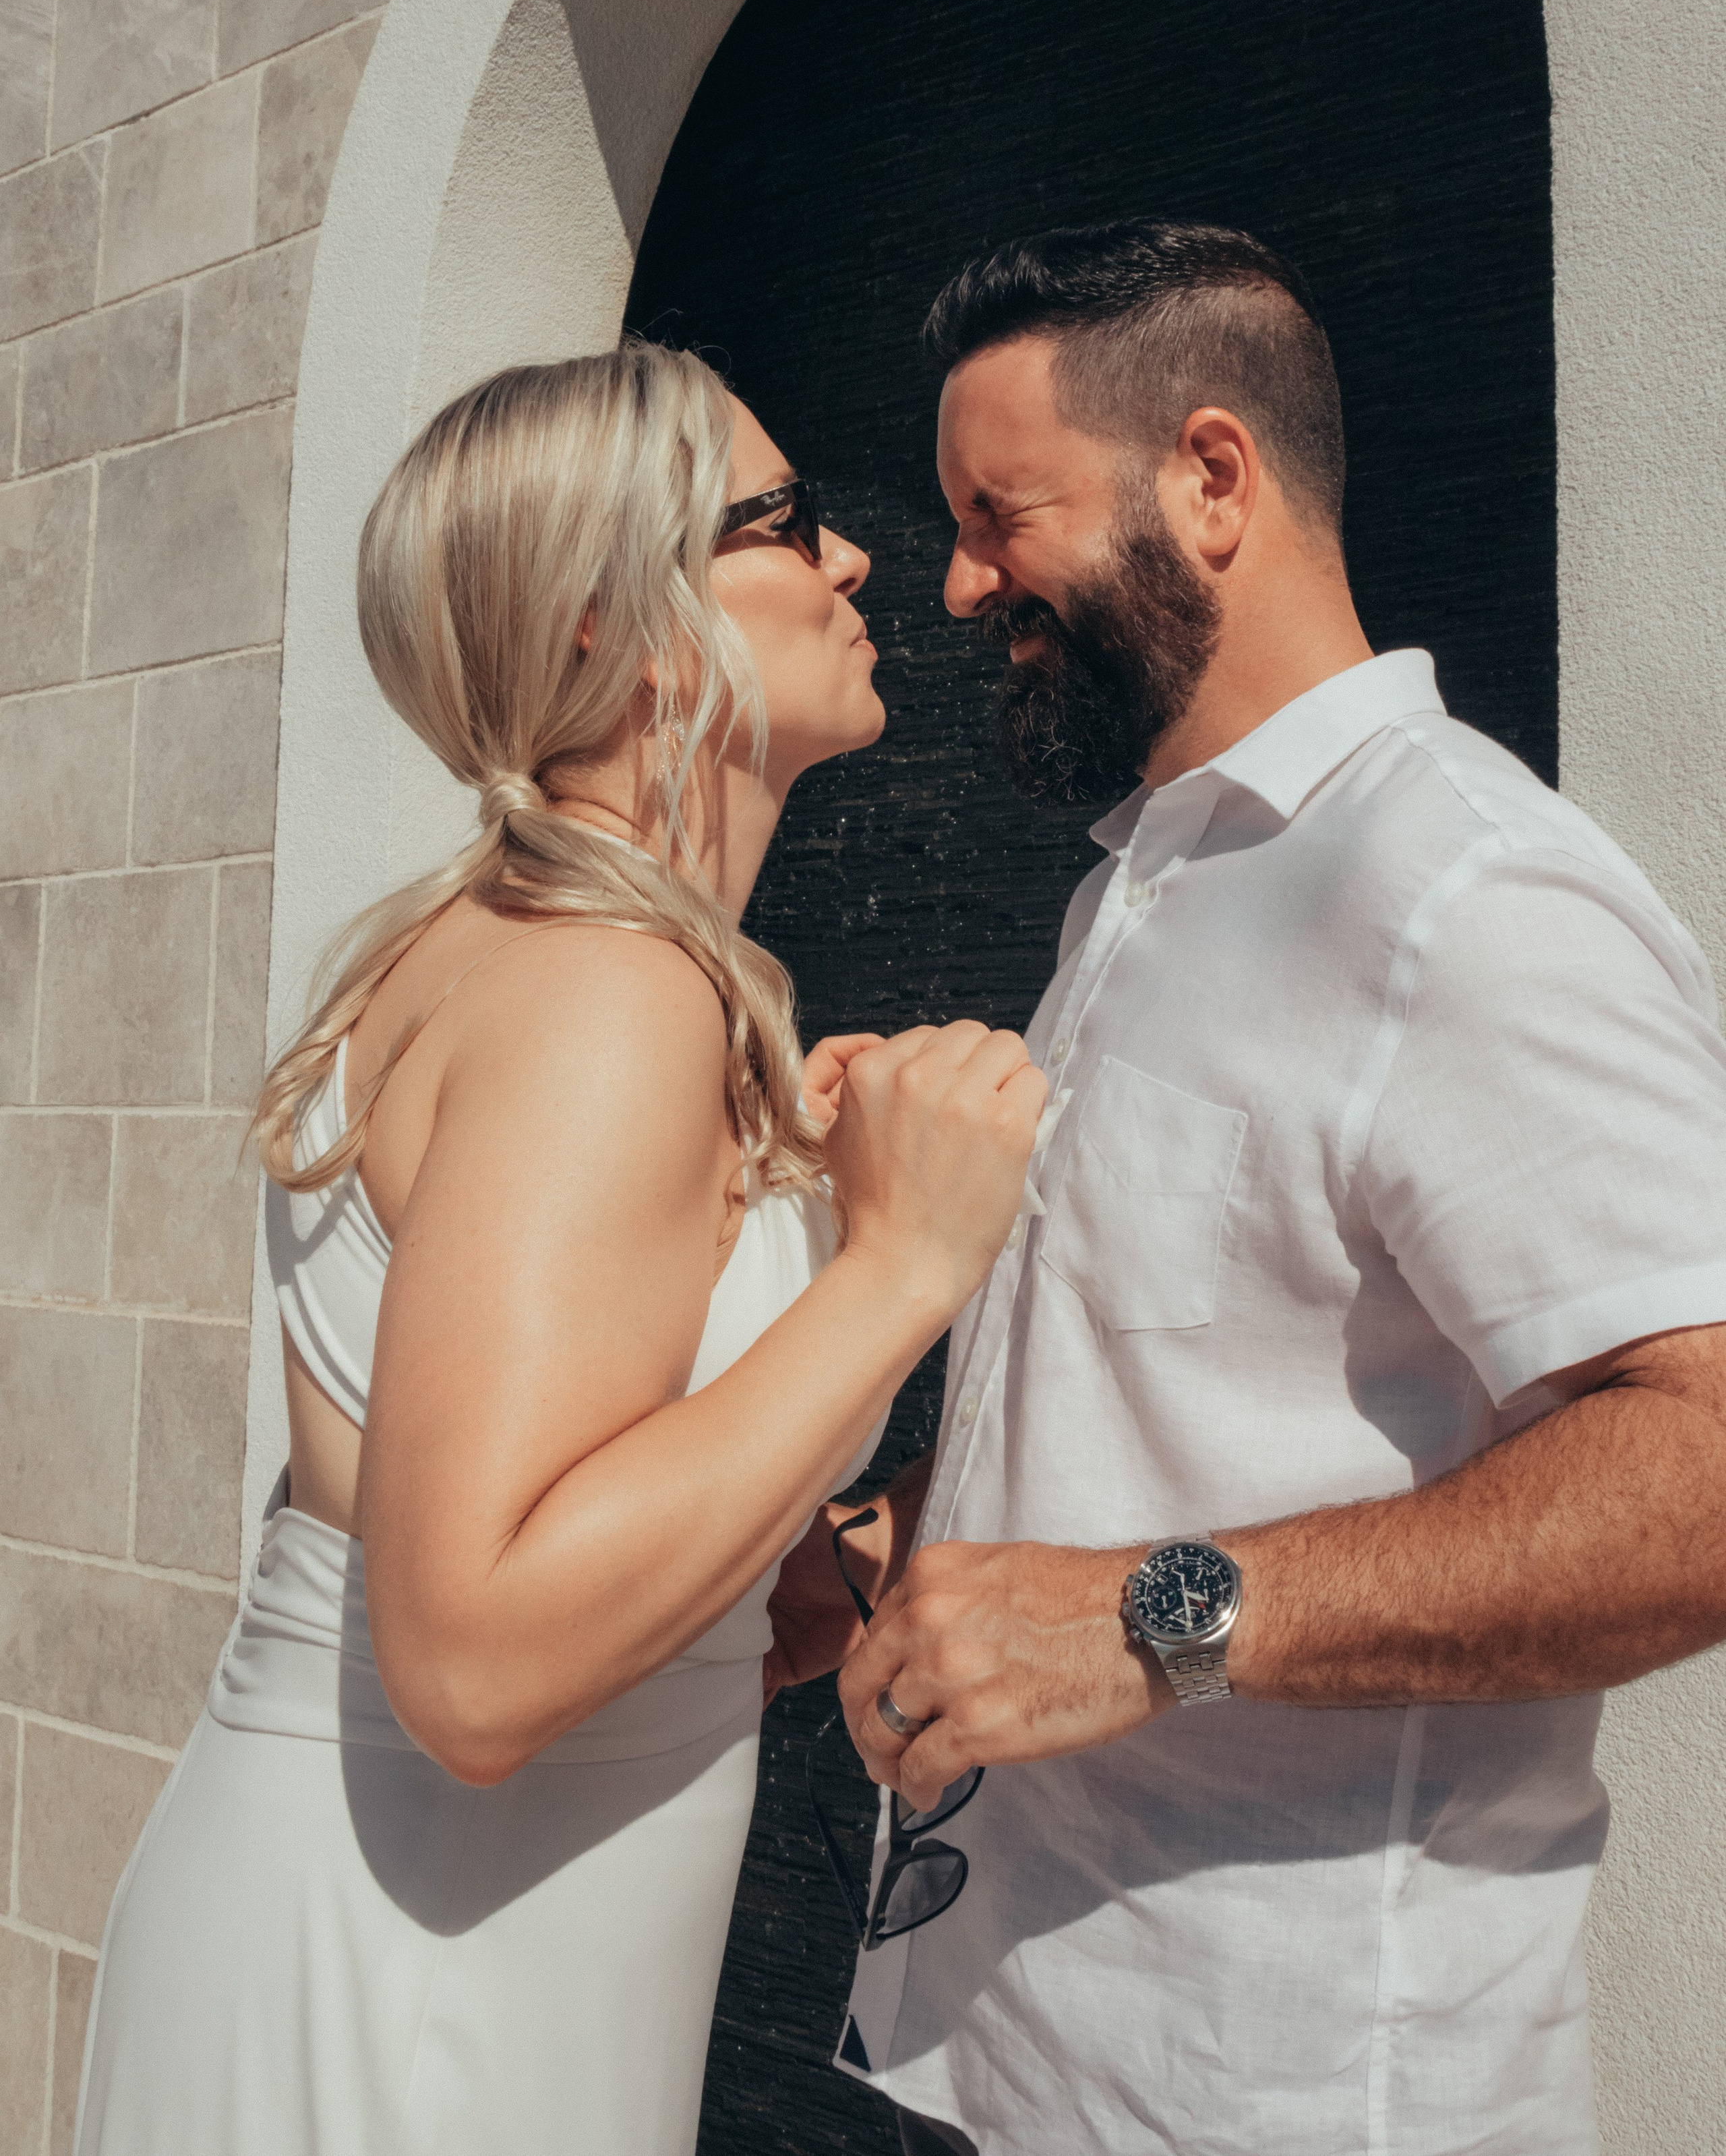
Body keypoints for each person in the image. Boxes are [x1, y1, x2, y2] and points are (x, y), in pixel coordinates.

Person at [770, 221, 1726, 2155]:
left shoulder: (1464, 888)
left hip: (1288, 2092)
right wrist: (881, 1552)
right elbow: (1184, 1393)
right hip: (1008, 2048)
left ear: (1212, 479)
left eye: (998, 516)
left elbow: (1705, 1460)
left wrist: (1152, 1617)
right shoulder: (1145, 883)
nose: (956, 582)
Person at [73, 343, 1045, 2156]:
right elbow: (473, 1660)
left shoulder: (528, 951)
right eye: (785, 521)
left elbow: (504, 1483)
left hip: (444, 1936)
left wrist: (769, 1554)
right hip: (425, 1994)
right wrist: (897, 1269)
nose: (851, 557)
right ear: (625, 622)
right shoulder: (606, 992)